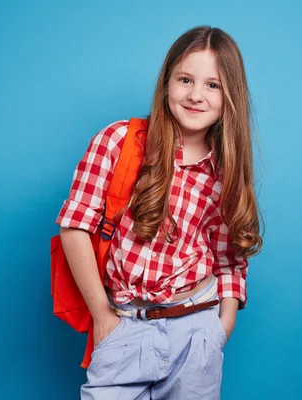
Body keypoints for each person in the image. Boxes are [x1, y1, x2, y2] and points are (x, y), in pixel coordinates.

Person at [55, 25, 263, 399]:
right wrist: (102, 315)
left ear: (230, 95)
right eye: (185, 79)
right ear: (167, 82)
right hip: (124, 324)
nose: (196, 95)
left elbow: (228, 260)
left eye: (212, 85)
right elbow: (75, 226)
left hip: (196, 328)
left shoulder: (226, 172)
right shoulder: (119, 141)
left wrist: (222, 325)